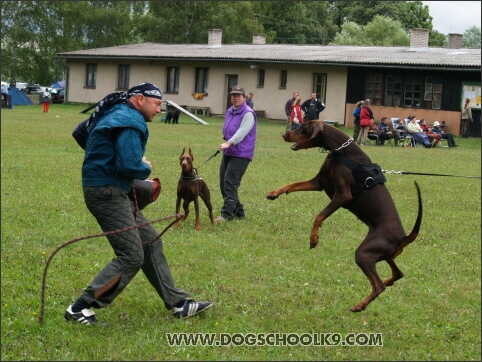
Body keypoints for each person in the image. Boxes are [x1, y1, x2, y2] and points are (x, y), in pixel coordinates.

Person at [65, 82, 212, 325]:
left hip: (110, 188)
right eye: (156, 104)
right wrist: (144, 165)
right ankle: (80, 308)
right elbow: (130, 166)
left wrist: (104, 157)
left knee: (150, 242)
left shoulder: (114, 112)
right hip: (107, 192)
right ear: (140, 99)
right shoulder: (131, 120)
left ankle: (178, 303)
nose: (159, 110)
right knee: (132, 255)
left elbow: (81, 133)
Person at [216, 85, 257, 223]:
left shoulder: (248, 113)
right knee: (224, 182)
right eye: (234, 95)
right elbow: (228, 127)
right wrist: (226, 140)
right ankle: (239, 212)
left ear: (244, 97)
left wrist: (229, 142)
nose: (236, 97)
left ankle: (227, 214)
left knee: (230, 182)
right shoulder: (230, 111)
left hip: (241, 153)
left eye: (239, 95)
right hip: (229, 151)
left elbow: (242, 132)